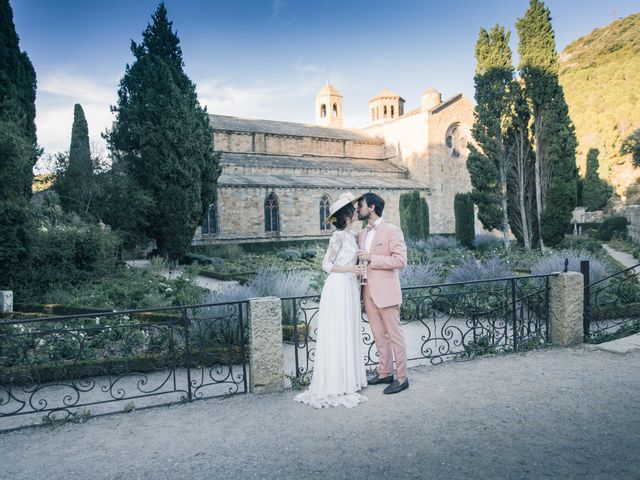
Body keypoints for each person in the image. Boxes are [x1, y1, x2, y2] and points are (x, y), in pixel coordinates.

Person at [295, 192, 368, 408]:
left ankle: (349, 378)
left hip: (349, 287)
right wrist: (350, 269)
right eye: (353, 209)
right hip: (338, 286)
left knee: (348, 329)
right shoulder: (337, 236)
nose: (356, 211)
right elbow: (326, 264)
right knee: (338, 330)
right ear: (346, 215)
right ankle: (336, 381)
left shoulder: (352, 236)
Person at [356, 192, 409, 394]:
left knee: (395, 336)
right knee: (379, 336)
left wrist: (372, 258)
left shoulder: (392, 231)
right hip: (367, 290)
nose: (358, 209)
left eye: (361, 205)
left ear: (372, 207)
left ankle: (402, 377)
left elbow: (400, 261)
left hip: (386, 292)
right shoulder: (362, 233)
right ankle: (385, 372)